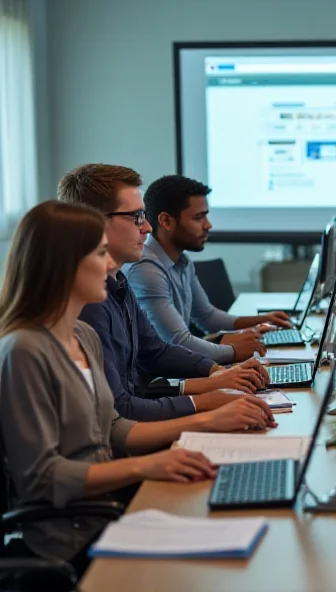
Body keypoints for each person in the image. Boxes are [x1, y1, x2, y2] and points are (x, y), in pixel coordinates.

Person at [0, 201, 276, 574]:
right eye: (100, 254)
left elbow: (113, 428)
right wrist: (147, 466)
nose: (112, 265)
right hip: (71, 536)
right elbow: (43, 478)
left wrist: (211, 420)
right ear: (63, 266)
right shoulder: (24, 351)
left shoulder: (82, 336)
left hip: (112, 505)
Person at [57, 164, 269, 421]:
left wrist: (216, 372)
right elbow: (119, 409)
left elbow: (155, 350)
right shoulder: (89, 303)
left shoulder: (119, 281)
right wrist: (201, 406)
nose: (147, 227)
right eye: (136, 216)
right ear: (95, 222)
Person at [124, 174, 291, 364]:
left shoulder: (182, 261)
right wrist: (234, 351)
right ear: (166, 221)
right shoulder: (146, 269)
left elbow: (207, 317)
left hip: (179, 368)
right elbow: (179, 343)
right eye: (198, 217)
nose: (208, 225)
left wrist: (260, 321)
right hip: (158, 380)